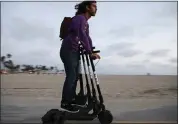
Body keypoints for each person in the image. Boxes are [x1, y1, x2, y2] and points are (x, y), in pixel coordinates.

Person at [59, 0, 100, 113]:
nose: (96, 8)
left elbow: (87, 37)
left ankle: (71, 99)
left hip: (74, 51)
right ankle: (65, 102)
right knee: (72, 76)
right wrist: (89, 51)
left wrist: (91, 50)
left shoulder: (85, 22)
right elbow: (81, 34)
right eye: (94, 6)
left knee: (75, 76)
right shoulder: (79, 18)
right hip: (69, 50)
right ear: (87, 7)